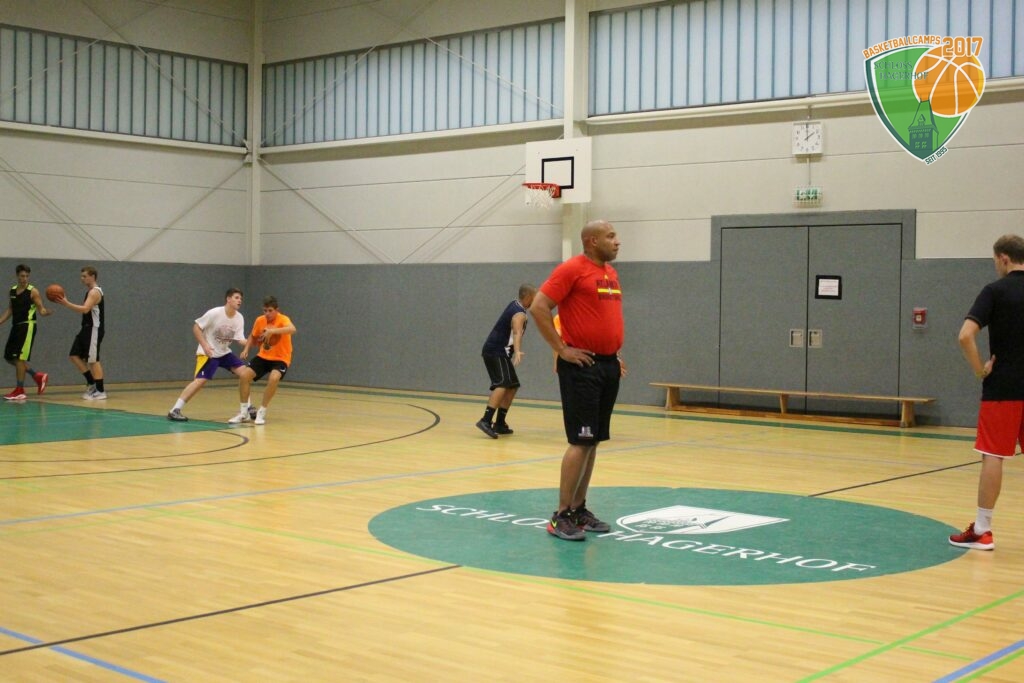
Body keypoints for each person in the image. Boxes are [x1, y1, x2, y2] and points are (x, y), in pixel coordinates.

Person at [530, 220, 626, 541]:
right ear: (592, 240)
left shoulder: (610, 274)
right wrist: (561, 349)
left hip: (607, 366)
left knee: (593, 440)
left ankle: (578, 509)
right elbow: (539, 306)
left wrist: (612, 354)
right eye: (610, 236)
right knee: (580, 440)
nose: (617, 241)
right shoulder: (572, 269)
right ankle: (561, 516)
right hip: (581, 367)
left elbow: (602, 320)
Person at [950, 234, 1024, 551]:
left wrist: (980, 369)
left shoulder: (995, 291)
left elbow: (965, 335)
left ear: (1004, 258)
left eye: (995, 260)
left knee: (994, 455)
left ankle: (982, 530)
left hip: (1003, 388)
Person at [167, 288, 248, 422]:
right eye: (236, 297)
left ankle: (247, 407)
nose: (239, 300)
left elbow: (240, 339)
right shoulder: (215, 313)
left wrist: (253, 342)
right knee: (200, 381)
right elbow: (196, 327)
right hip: (208, 353)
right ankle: (175, 409)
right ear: (228, 299)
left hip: (224, 353)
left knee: (245, 374)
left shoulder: (239, 318)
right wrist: (205, 345)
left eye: (241, 298)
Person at [476, 284, 536, 438]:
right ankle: (485, 420)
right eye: (534, 298)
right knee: (502, 384)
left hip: (498, 352)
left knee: (512, 386)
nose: (535, 301)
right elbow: (516, 332)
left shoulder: (514, 304)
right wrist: (517, 351)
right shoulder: (519, 313)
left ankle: (500, 423)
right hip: (496, 351)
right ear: (528, 297)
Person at [231, 296, 297, 425]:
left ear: (277, 310)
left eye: (270, 311)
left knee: (274, 378)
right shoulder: (260, 320)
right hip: (263, 356)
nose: (267, 313)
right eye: (265, 310)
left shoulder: (283, 319)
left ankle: (262, 411)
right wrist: (246, 349)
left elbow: (292, 329)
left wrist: (272, 331)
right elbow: (252, 336)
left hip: (281, 358)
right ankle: (244, 412)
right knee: (244, 376)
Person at [55, 266, 107, 400]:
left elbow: (85, 309)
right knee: (74, 355)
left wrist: (66, 303)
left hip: (94, 329)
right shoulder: (90, 291)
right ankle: (91, 382)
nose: (82, 279)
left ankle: (100, 391)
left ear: (92, 276)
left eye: (84, 276)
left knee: (93, 360)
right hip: (86, 328)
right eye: (81, 276)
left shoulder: (94, 292)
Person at [1, 264, 51, 400]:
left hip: (27, 326)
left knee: (19, 358)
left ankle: (20, 390)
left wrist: (46, 312)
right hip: (16, 326)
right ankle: (37, 376)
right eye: (22, 276)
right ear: (17, 276)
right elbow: (10, 309)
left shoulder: (33, 291)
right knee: (9, 357)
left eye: (27, 276)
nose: (24, 279)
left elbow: (41, 309)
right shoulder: (12, 291)